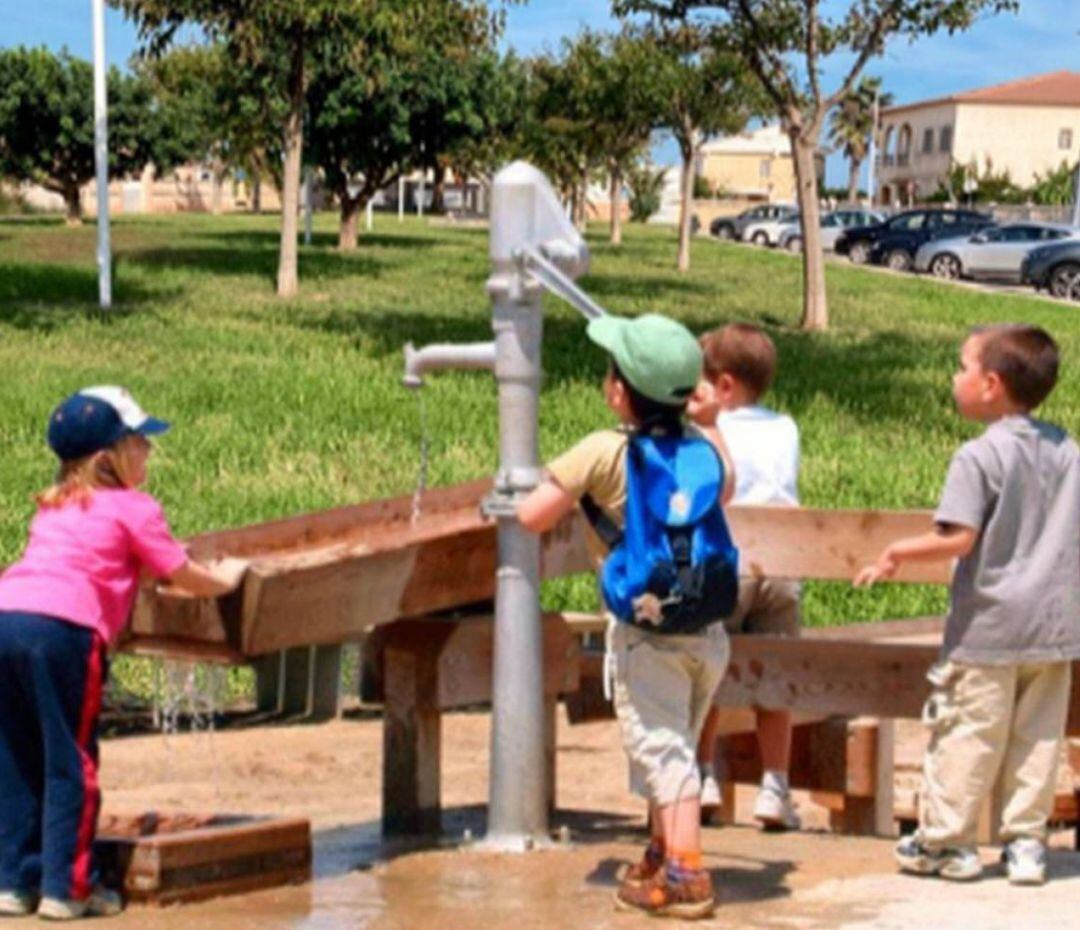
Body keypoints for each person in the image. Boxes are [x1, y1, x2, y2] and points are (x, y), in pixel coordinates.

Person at [0, 387, 248, 920]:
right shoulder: (134, 508)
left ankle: (13, 881)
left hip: (7, 619)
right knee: (72, 760)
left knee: (17, 754)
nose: (149, 452)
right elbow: (178, 573)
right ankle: (68, 889)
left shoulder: (53, 507)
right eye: (140, 442)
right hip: (63, 632)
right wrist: (225, 582)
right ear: (107, 459)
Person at [518, 314, 735, 919]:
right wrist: (711, 424)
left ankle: (687, 874)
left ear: (619, 391)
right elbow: (729, 489)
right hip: (707, 630)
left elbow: (534, 515)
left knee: (662, 753)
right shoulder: (697, 449)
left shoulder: (603, 449)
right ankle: (663, 853)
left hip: (646, 634)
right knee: (678, 747)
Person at [855, 325, 1080, 885]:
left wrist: (896, 551)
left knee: (968, 730)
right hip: (1055, 626)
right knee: (1037, 736)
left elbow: (958, 538)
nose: (955, 378)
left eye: (961, 367)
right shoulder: (1069, 451)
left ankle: (946, 840)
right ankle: (1026, 842)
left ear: (991, 384)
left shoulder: (979, 456)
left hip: (989, 626)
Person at [693, 323, 802, 830]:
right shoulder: (786, 427)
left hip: (729, 562)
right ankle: (774, 787)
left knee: (708, 667)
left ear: (725, 386)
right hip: (783, 564)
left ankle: (704, 773)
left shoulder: (713, 431)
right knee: (775, 675)